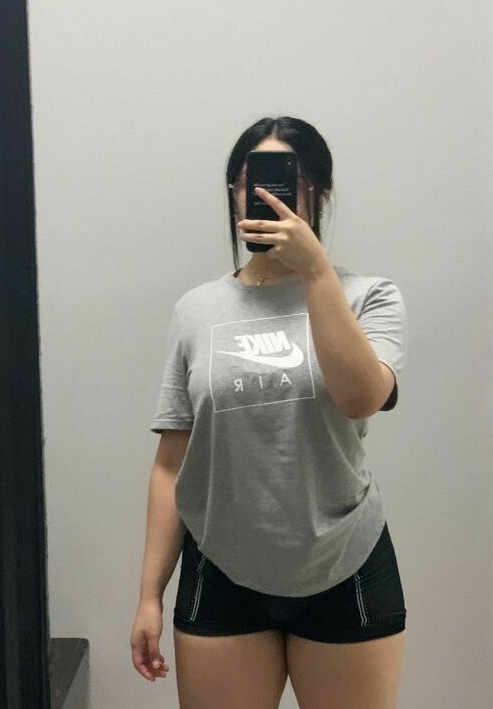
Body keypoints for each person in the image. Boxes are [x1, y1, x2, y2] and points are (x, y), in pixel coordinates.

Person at [131, 116, 408, 708]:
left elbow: (361, 397)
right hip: (222, 566)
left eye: (290, 180)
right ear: (233, 193)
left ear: (320, 194)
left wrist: (316, 272)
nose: (267, 194)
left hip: (344, 560)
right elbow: (171, 463)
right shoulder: (196, 310)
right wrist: (150, 594)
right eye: (250, 181)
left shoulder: (370, 296)